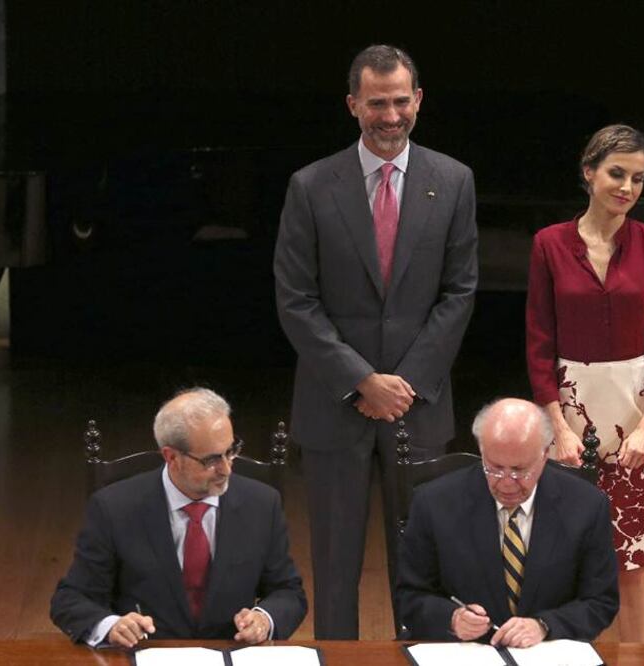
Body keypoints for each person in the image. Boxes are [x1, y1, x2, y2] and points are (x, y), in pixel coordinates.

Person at [273, 44, 478, 639]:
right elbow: (295, 299)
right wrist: (362, 381)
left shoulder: (454, 180)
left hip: (419, 407)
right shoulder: (311, 186)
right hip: (335, 407)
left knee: (422, 567)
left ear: (418, 100)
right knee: (334, 570)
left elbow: (459, 294)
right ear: (352, 105)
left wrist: (402, 385)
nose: (390, 116)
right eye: (376, 104)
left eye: (399, 101)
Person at [525, 123, 644, 642]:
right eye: (617, 174)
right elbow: (539, 345)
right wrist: (558, 428)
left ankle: (634, 658)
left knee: (634, 555)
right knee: (562, 550)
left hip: (637, 410)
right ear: (589, 173)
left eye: (638, 178)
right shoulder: (549, 244)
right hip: (568, 411)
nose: (628, 188)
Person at [50, 388, 306, 648]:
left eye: (231, 451)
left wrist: (264, 619)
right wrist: (111, 625)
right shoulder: (113, 508)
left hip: (229, 653)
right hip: (148, 654)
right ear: (172, 457)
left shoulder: (262, 504)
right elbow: (71, 599)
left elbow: (289, 592)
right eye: (211, 460)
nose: (226, 469)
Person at [395, 398, 618, 646]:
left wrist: (545, 625)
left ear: (544, 455)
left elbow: (601, 602)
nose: (506, 482)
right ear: (482, 451)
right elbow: (410, 596)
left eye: (520, 470)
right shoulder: (434, 503)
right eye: (495, 468)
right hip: (464, 653)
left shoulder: (587, 505)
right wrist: (453, 618)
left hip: (547, 652)